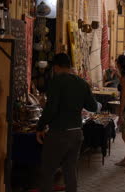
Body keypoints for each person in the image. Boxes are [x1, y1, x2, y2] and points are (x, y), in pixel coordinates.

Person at [36, 53, 98, 192]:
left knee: (48, 172)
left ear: (56, 67)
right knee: (70, 171)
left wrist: (40, 126)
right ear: (69, 66)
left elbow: (51, 109)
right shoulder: (81, 82)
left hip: (59, 132)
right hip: (76, 133)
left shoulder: (56, 81)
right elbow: (93, 107)